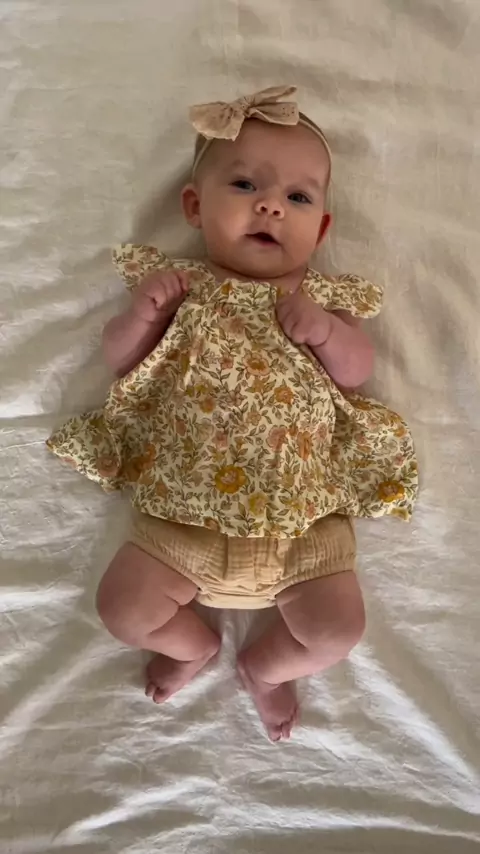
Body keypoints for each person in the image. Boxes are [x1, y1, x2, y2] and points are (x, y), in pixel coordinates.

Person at [47, 86, 418, 741]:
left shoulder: (323, 299)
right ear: (195, 206)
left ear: (321, 229)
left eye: (298, 197)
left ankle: (267, 670)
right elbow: (123, 363)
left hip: (302, 526)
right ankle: (192, 646)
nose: (271, 205)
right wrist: (144, 316)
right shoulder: (183, 288)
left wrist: (326, 332)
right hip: (179, 519)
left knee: (339, 630)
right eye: (245, 184)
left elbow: (356, 373)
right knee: (123, 609)